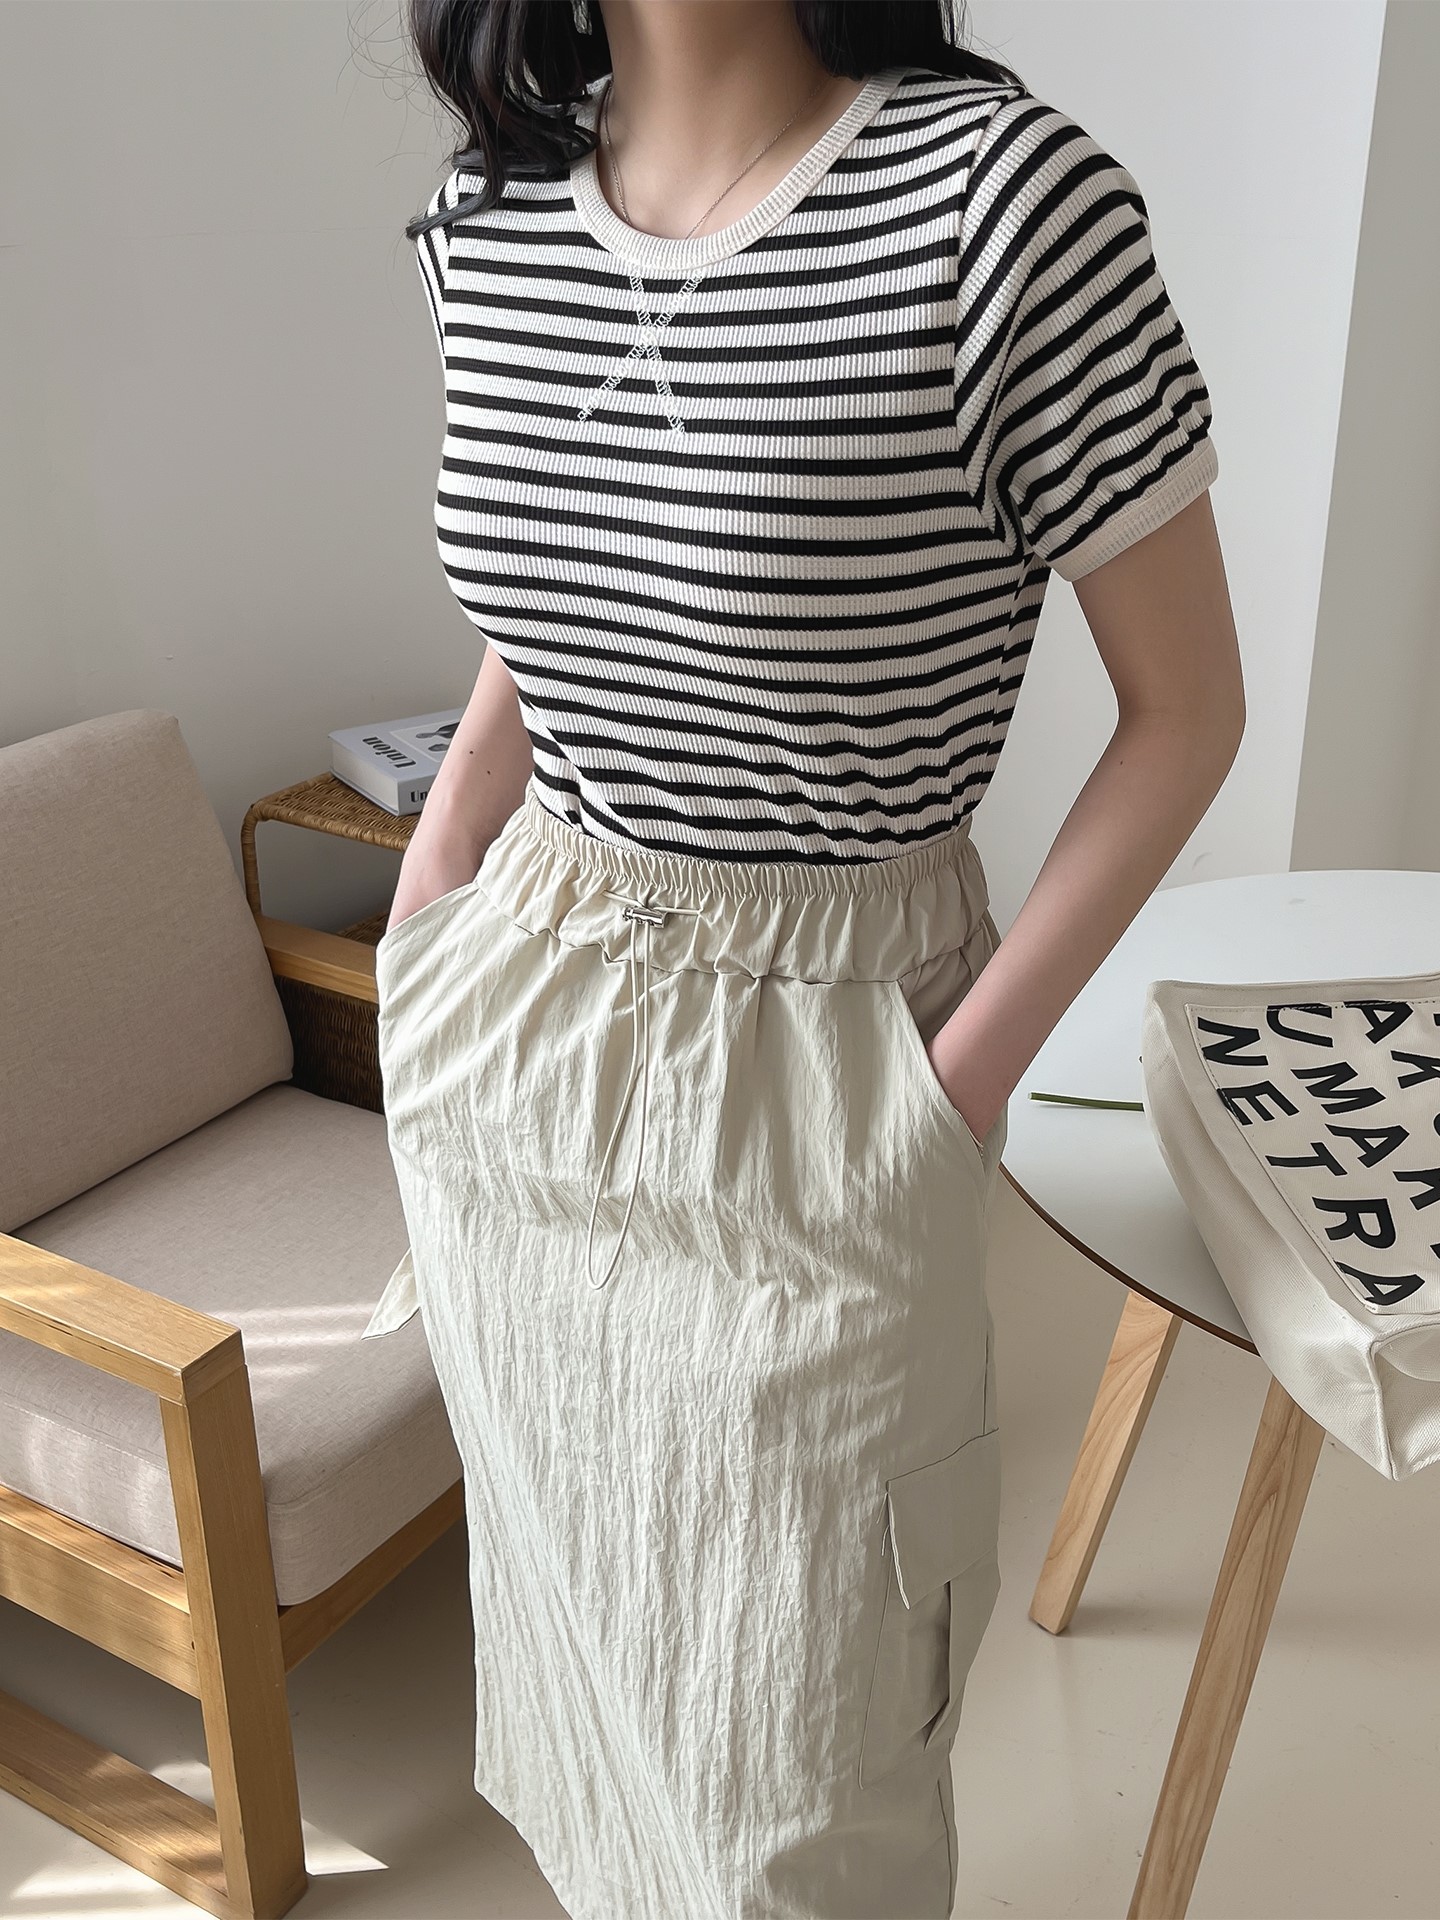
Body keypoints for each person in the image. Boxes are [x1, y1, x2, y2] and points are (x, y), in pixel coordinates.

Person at [363, 2, 1246, 1915]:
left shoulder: (1002, 209)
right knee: (588, 1690)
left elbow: (1187, 711)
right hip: (520, 1035)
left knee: (803, 1767)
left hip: (833, 1060)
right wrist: (436, 891)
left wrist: (947, 1092)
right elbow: (554, 582)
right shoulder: (488, 221)